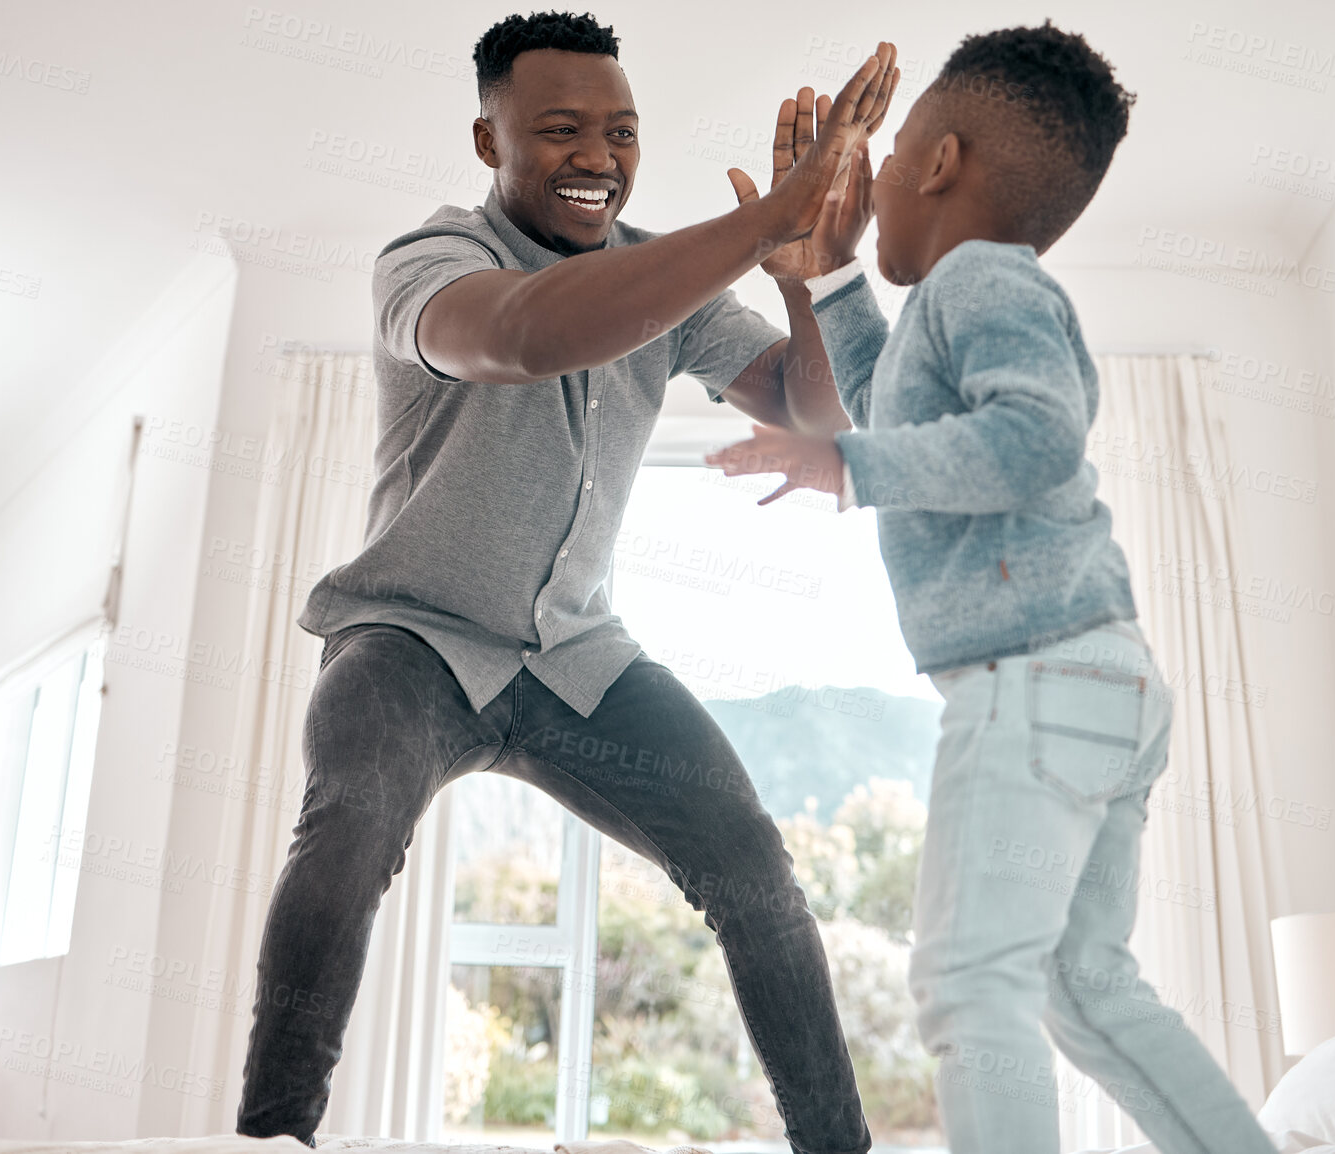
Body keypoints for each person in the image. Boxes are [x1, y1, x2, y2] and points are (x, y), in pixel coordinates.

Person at [235, 11, 900, 1152]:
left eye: (622, 129)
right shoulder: (432, 263)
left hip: (579, 659)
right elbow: (529, 336)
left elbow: (809, 405)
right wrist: (758, 221)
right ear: (489, 140)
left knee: (755, 870)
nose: (598, 154)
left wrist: (807, 271)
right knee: (347, 824)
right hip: (412, 641)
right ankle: (269, 1137)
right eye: (558, 128)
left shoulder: (674, 280)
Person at [708, 22, 1279, 1154]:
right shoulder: (967, 295)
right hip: (1102, 681)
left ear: (936, 161)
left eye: (893, 152)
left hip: (1036, 674)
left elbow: (1033, 438)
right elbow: (896, 403)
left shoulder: (979, 279)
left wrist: (846, 466)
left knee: (971, 982)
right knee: (1086, 986)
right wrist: (824, 274)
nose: (866, 192)